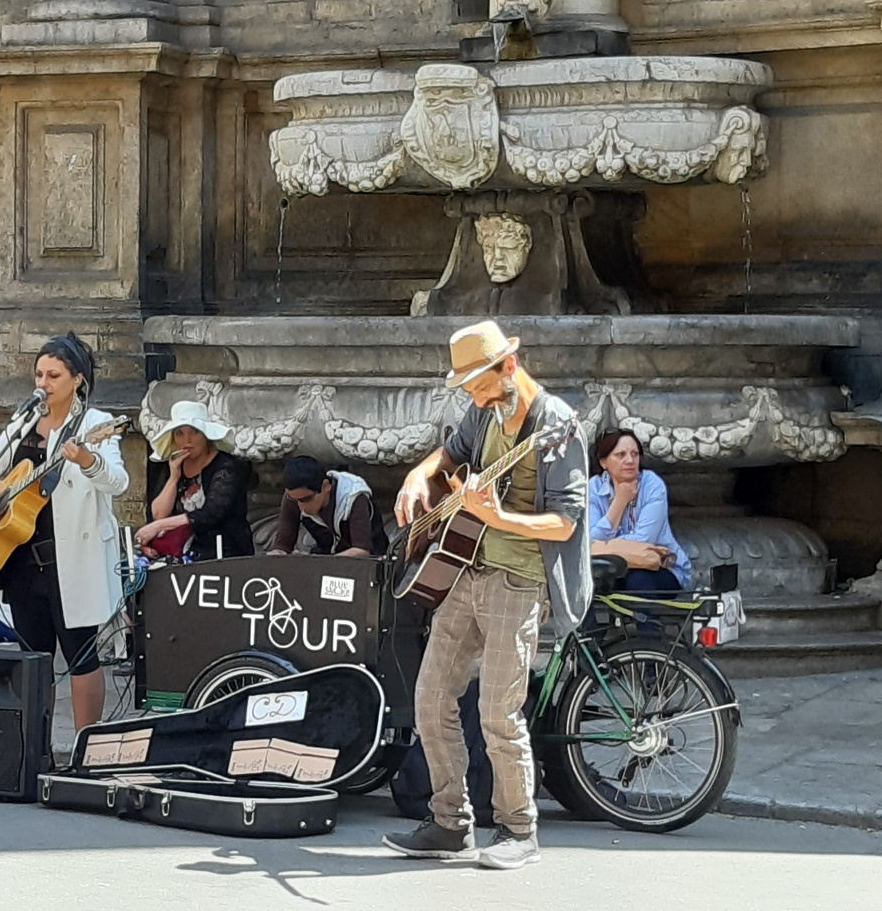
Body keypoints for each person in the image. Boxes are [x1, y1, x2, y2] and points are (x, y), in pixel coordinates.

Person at [385, 320, 590, 871]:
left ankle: (519, 828)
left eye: (478, 384)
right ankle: (450, 823)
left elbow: (565, 523)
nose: (472, 398)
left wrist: (498, 517)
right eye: (468, 389)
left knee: (498, 711)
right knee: (430, 699)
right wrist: (417, 476)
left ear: (509, 367)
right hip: (464, 572)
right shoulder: (484, 412)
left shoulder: (559, 427)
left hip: (517, 582)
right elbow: (448, 455)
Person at [0, 333, 128, 734]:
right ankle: (34, 746)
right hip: (22, 560)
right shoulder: (24, 422)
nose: (43, 383)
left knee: (79, 655)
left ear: (78, 380)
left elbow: (118, 482)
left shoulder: (94, 424)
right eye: (39, 374)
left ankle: (84, 747)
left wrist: (88, 460)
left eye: (53, 375)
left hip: (73, 561)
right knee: (33, 657)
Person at [134, 399, 254, 560]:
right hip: (180, 549)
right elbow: (158, 514)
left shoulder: (226, 467)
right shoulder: (173, 464)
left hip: (223, 552)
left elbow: (211, 514)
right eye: (179, 434)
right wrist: (174, 477)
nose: (187, 440)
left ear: (205, 435)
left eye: (194, 432)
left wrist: (158, 527)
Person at [587, 428, 691, 591]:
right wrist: (620, 502)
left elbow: (644, 539)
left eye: (634, 454)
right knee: (588, 584)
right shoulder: (593, 487)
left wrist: (606, 546)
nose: (630, 460)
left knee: (637, 581)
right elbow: (590, 539)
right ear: (603, 462)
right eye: (621, 455)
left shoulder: (652, 485)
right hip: (611, 570)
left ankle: (646, 618)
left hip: (658, 567)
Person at [269, 455, 380, 557]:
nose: (300, 506)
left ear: (326, 486)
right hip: (325, 557)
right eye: (294, 500)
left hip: (371, 563)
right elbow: (282, 545)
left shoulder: (353, 496)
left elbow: (361, 550)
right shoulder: (294, 496)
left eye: (306, 499)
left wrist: (320, 564)